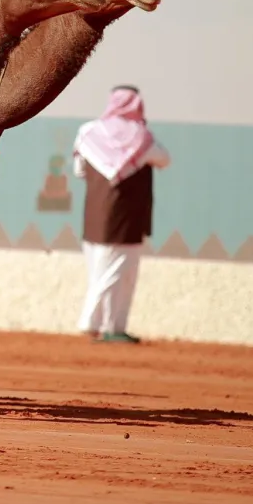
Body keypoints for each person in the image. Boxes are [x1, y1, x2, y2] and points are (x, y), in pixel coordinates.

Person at [74, 85, 170, 343]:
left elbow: (79, 171)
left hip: (95, 215)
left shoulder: (88, 132)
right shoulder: (142, 137)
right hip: (127, 217)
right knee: (118, 274)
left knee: (104, 272)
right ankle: (92, 322)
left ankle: (112, 328)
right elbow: (164, 159)